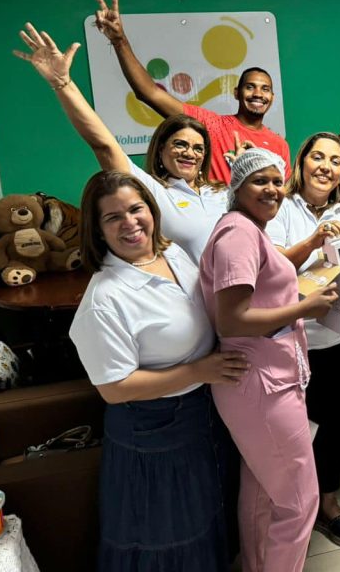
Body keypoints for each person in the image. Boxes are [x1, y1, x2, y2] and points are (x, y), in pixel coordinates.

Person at [69, 171, 247, 571]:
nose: (130, 223)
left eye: (136, 209)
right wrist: (198, 370)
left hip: (203, 410)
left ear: (152, 210)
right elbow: (115, 388)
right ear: (97, 230)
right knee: (168, 531)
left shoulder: (173, 255)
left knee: (207, 513)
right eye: (113, 217)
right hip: (154, 429)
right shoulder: (105, 299)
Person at [199, 149, 338, 572]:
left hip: (263, 382)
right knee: (300, 503)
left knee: (263, 490)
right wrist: (304, 308)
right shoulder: (238, 234)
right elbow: (232, 318)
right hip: (262, 387)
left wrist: (311, 246)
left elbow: (270, 272)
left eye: (278, 181)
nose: (273, 190)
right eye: (260, 181)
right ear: (237, 187)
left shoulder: (249, 230)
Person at [14, 23, 227, 259]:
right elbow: (103, 145)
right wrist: (62, 83)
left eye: (198, 148)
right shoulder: (150, 191)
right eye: (180, 144)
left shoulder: (221, 192)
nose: (190, 153)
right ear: (160, 150)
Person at [265, 132, 340, 548]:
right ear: (302, 162)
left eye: (334, 160)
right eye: (318, 157)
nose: (325, 167)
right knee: (290, 429)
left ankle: (327, 503)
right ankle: (288, 504)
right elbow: (269, 268)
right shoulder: (278, 208)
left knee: (329, 422)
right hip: (290, 338)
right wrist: (314, 242)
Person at [91, 0, 291, 183]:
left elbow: (284, 193)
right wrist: (119, 41)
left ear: (272, 98)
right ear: (236, 93)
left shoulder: (279, 144)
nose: (258, 94)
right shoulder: (212, 125)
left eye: (265, 89)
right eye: (250, 87)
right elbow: (149, 93)